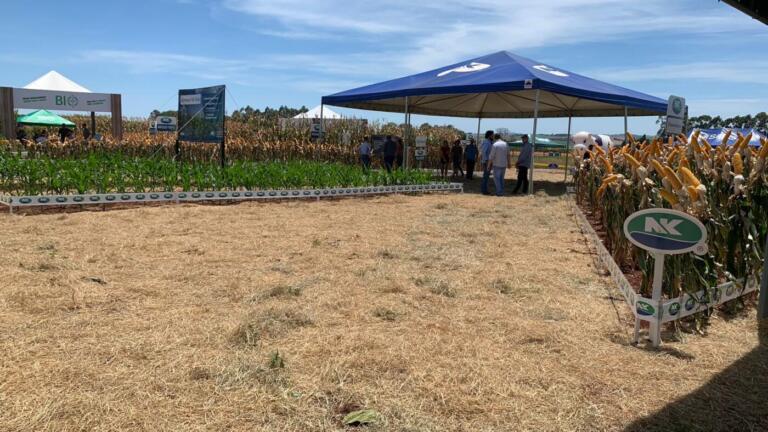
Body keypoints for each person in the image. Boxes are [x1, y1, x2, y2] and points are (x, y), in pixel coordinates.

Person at [480, 130, 494, 195]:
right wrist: (486, 160)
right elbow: (484, 152)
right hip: (486, 162)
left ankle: (484, 189)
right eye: (492, 135)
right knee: (485, 176)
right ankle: (484, 190)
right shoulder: (486, 142)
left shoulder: (489, 142)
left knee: (486, 176)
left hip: (488, 161)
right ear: (489, 135)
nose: (493, 136)